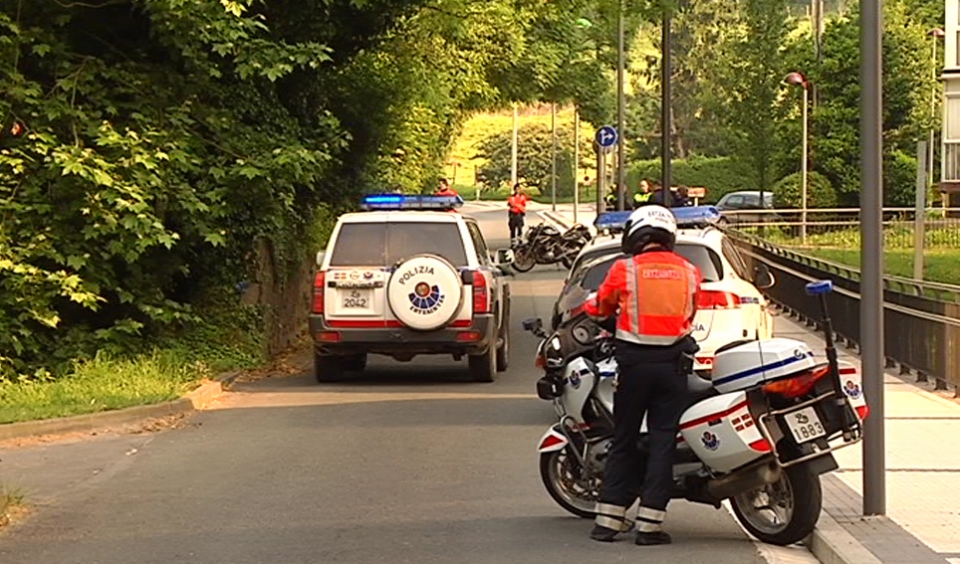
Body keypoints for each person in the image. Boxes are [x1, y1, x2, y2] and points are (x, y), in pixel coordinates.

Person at [584, 205, 701, 547]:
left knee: (624, 439)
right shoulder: (690, 271)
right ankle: (649, 526)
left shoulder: (626, 269)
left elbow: (600, 307)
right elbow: (691, 313)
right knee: (664, 440)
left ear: (635, 234)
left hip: (634, 367)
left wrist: (606, 313)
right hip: (673, 367)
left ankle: (607, 522)